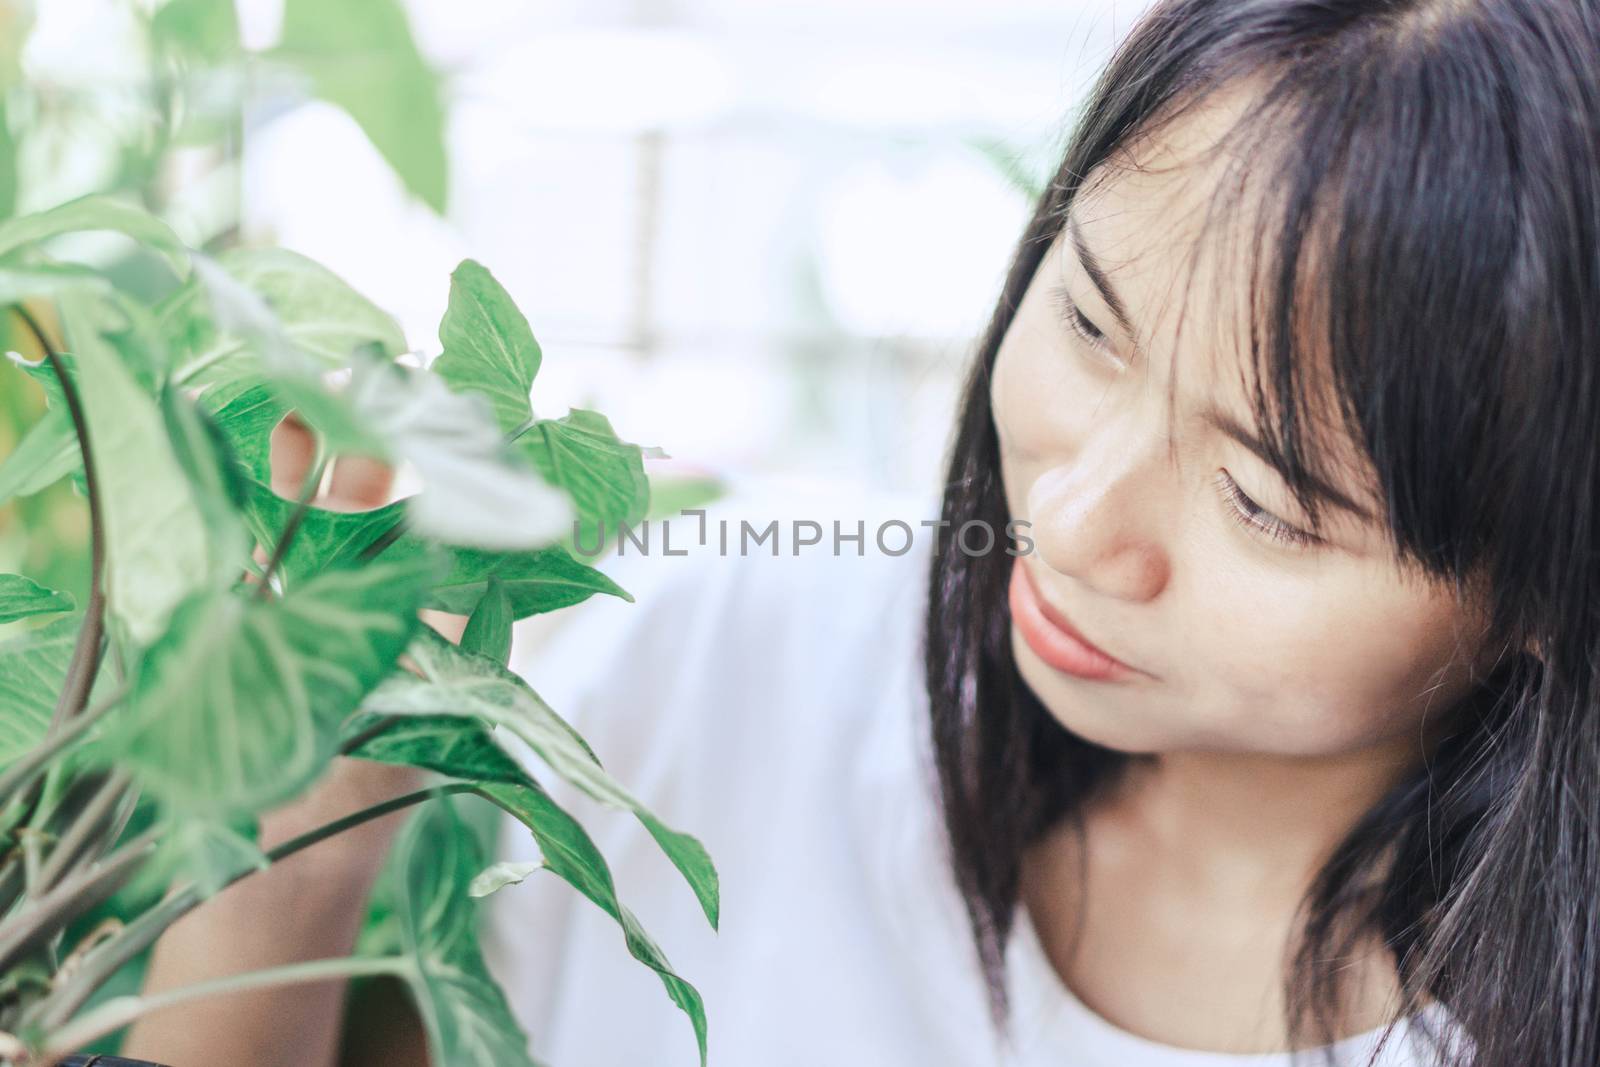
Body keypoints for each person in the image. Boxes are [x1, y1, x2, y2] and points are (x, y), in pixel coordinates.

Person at [123, 1, 1600, 1065]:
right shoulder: (737, 641)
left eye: (1263, 498)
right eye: (1088, 319)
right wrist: (297, 853)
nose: (1077, 527)